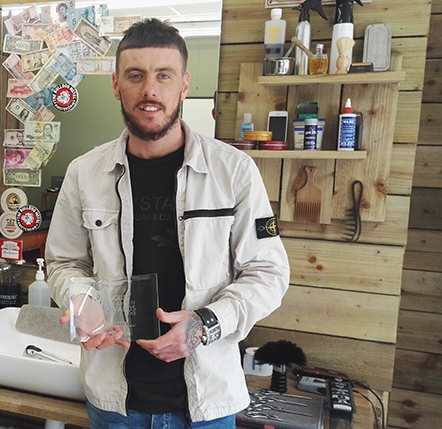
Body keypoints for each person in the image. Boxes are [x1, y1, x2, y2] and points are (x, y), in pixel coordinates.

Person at [45, 18, 289, 429]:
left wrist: (204, 323)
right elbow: (64, 263)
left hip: (206, 402)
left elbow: (269, 272)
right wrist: (80, 300)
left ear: (184, 83)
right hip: (114, 402)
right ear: (116, 85)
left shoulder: (234, 172)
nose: (150, 91)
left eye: (164, 75)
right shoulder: (84, 173)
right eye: (135, 76)